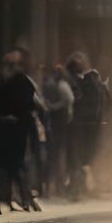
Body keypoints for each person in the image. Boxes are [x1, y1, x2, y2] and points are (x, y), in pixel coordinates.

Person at [0, 49, 40, 216]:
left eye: (13, 64)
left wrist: (6, 115)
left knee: (11, 167)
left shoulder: (21, 83)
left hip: (14, 131)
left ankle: (24, 200)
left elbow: (25, 107)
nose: (10, 67)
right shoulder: (1, 84)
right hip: (4, 130)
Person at [66, 52, 110, 197]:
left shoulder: (81, 82)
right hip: (94, 124)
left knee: (77, 156)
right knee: (87, 156)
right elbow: (108, 103)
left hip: (79, 124)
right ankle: (86, 187)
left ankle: (77, 189)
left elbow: (76, 100)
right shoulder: (99, 84)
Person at [42, 61, 75, 197]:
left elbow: (68, 101)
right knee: (58, 156)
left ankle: (57, 186)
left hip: (60, 125)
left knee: (57, 156)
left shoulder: (61, 86)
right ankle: (57, 186)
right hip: (61, 125)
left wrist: (52, 106)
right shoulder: (59, 86)